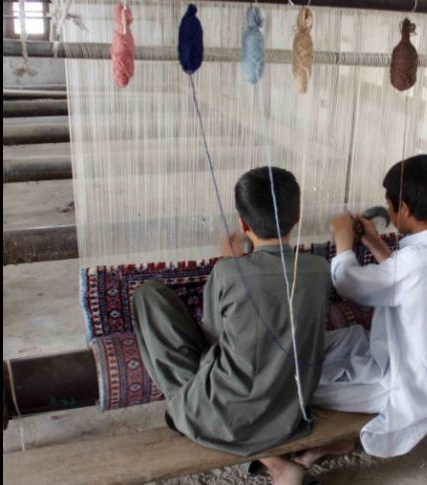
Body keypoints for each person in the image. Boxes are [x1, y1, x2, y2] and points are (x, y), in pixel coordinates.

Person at [131, 166, 331, 485]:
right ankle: (272, 460)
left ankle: (195, 412)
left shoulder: (228, 273)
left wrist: (230, 262)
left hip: (228, 416)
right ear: (298, 217)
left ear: (242, 223)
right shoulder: (320, 270)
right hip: (288, 415)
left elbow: (214, 338)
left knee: (148, 296)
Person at [296, 154, 427, 466]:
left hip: (405, 382)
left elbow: (349, 283)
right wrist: (373, 241)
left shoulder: (414, 262)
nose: (387, 208)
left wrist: (343, 241)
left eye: (389, 203)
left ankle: (340, 441)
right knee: (337, 341)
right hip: (421, 362)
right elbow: (402, 278)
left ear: (404, 209)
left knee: (303, 384)